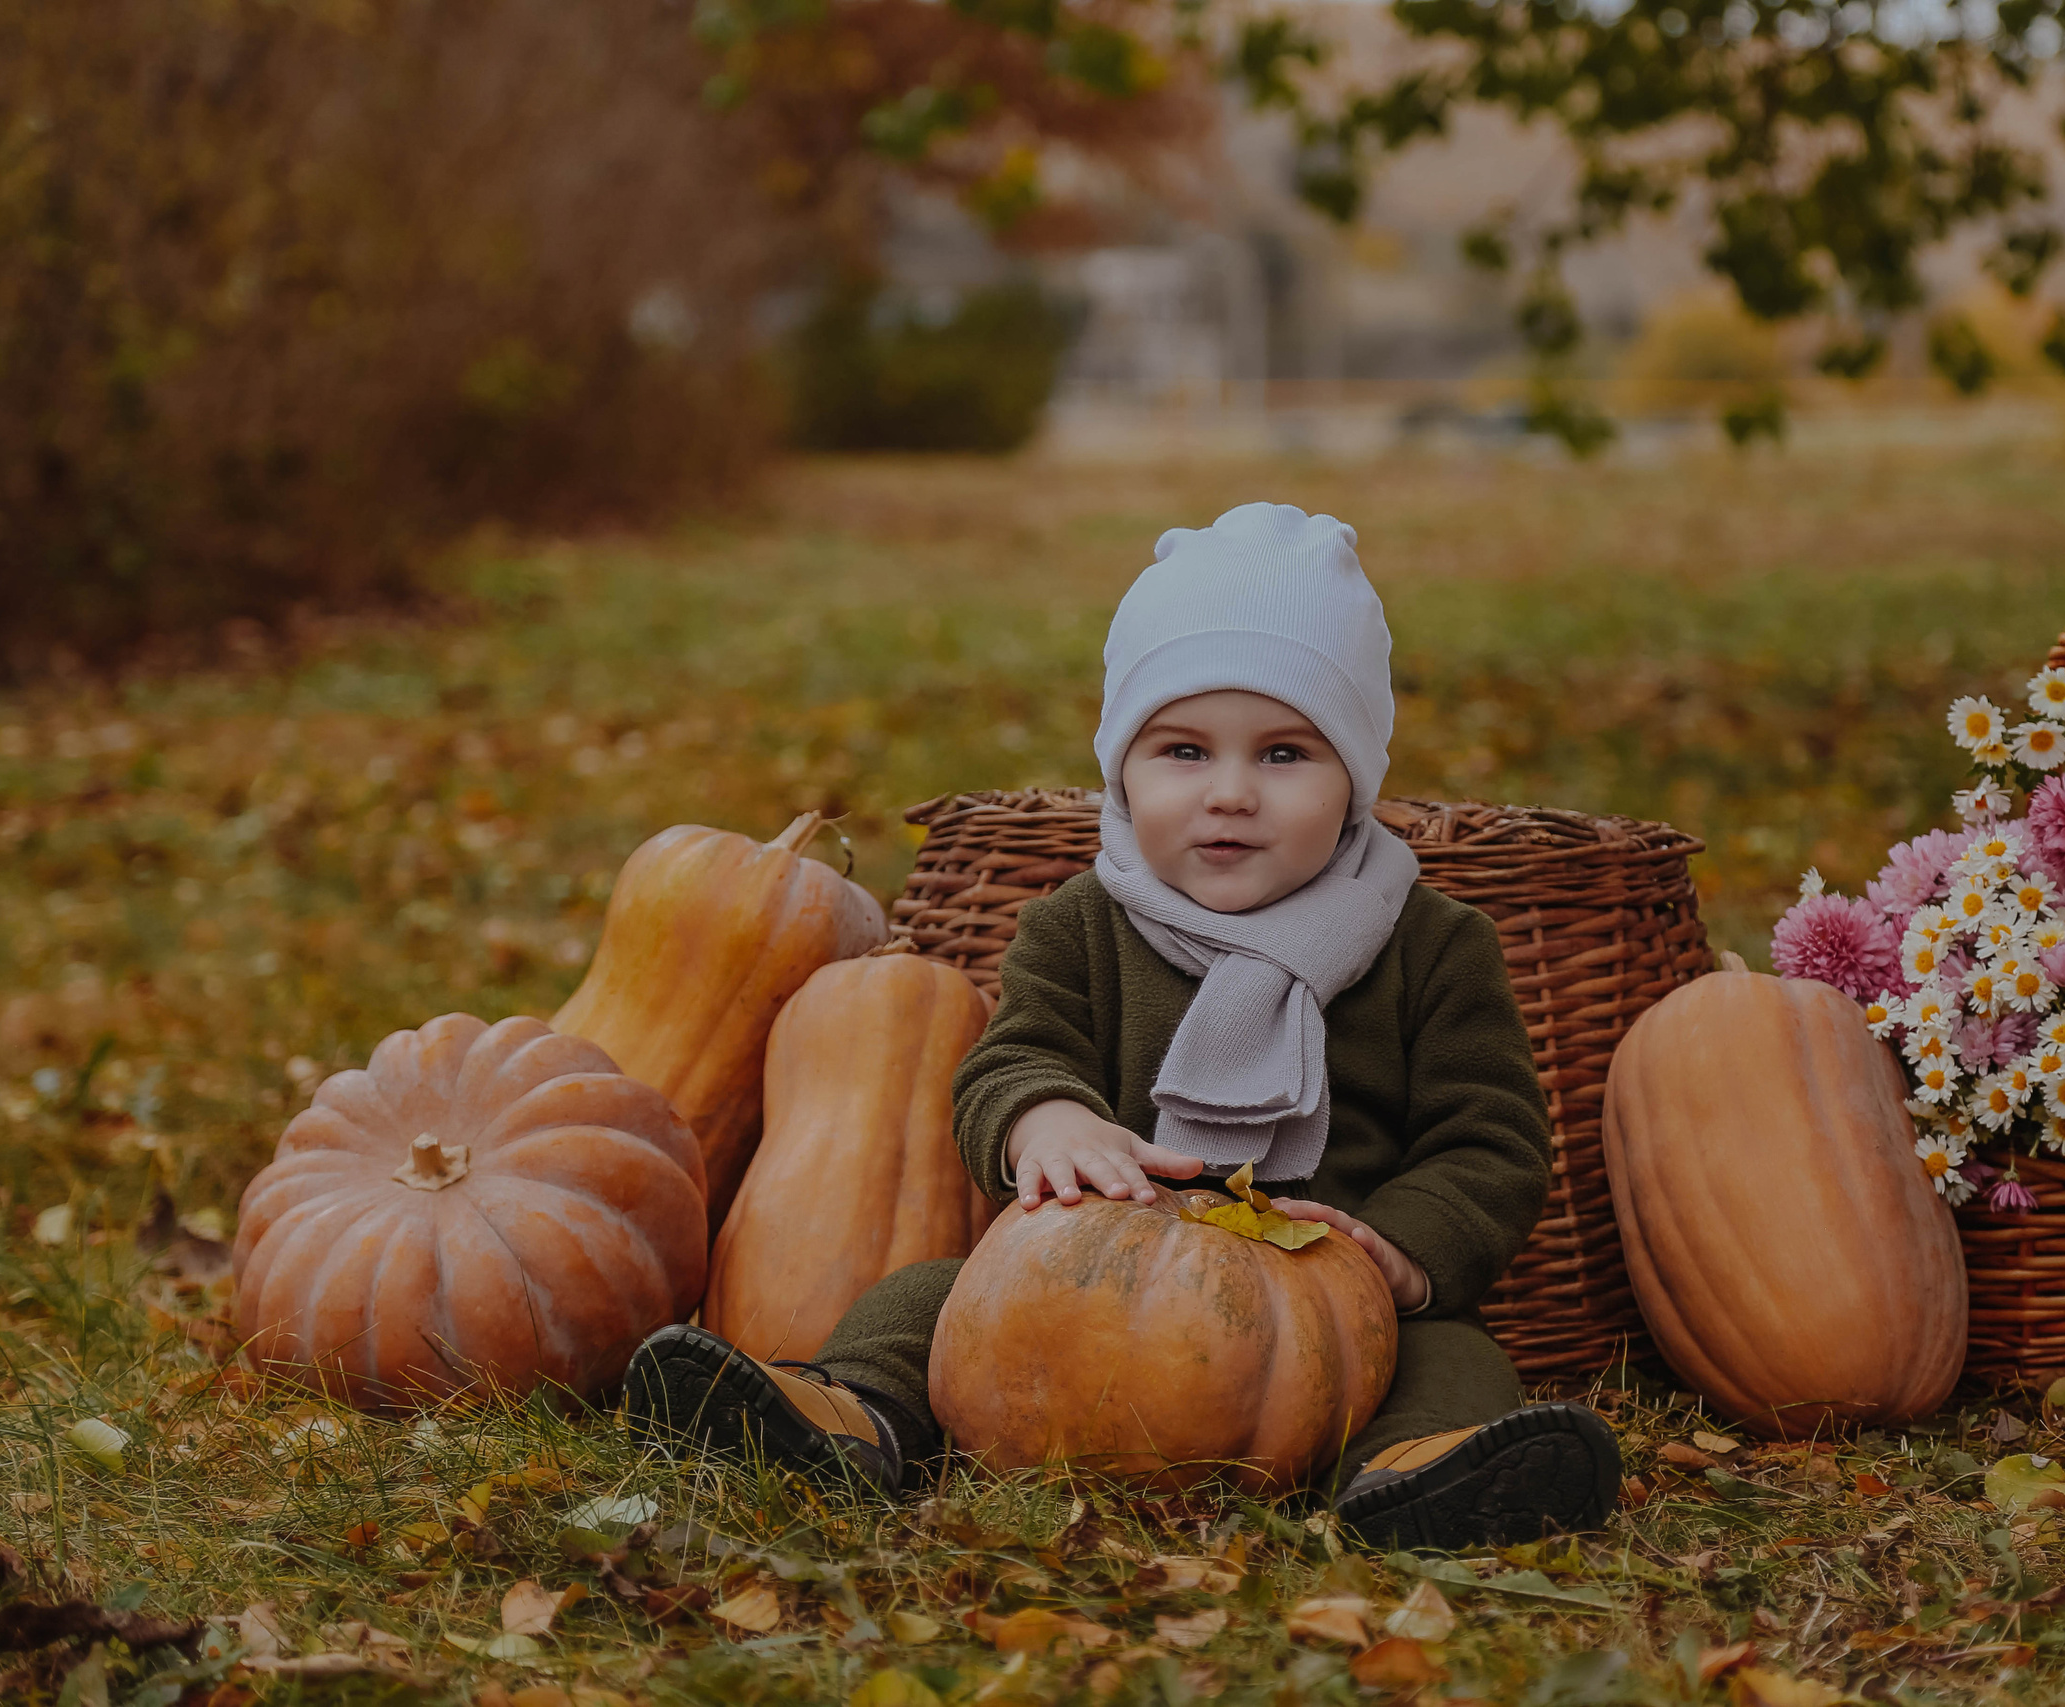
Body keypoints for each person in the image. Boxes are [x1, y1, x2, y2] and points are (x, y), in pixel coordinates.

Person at [622, 502, 1622, 1548]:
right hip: (1085, 1283)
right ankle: (842, 1416)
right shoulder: (1079, 925)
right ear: (1122, 770)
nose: (1230, 795)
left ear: (1356, 778)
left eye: (1285, 755)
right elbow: (1011, 1058)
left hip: (1333, 1309)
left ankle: (1412, 1477)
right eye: (1183, 751)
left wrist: (1407, 1251)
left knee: (1457, 1357)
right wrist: (1046, 1121)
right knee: (923, 1294)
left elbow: (1491, 1139)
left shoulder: (1429, 942)